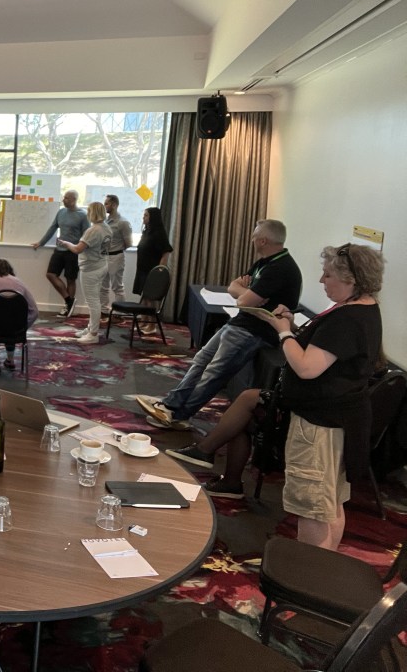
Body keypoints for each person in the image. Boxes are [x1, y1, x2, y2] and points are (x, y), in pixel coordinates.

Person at [174, 245, 383, 549]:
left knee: (313, 509)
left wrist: (283, 332)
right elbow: (325, 354)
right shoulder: (363, 308)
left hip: (320, 424)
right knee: (329, 504)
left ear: (351, 279)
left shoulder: (347, 319)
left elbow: (307, 368)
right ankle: (321, 568)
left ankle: (307, 571)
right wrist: (292, 327)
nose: (322, 280)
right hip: (336, 419)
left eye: (328, 275)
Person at [137, 219, 302, 430]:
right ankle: (171, 404)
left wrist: (244, 295)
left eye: (254, 237)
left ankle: (179, 415)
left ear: (263, 241)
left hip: (254, 331)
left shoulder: (280, 268)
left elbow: (241, 300)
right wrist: (247, 294)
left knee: (214, 373)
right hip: (240, 322)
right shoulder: (265, 262)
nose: (251, 240)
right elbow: (233, 287)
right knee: (201, 360)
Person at [56, 201, 112, 344]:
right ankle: (90, 328)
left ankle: (93, 334)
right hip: (101, 265)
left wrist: (66, 243)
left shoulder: (93, 230)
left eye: (89, 211)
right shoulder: (107, 228)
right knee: (95, 300)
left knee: (93, 302)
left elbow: (77, 249)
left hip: (91, 269)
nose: (87, 214)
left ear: (93, 213)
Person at [31, 190, 89, 318]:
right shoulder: (61, 212)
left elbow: (87, 235)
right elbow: (52, 228)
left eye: (67, 198)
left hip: (73, 252)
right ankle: (69, 301)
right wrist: (41, 243)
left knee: (70, 279)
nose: (64, 200)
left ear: (74, 200)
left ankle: (68, 307)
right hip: (59, 250)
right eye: (64, 197)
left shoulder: (83, 215)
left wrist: (83, 249)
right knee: (50, 274)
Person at [0, 258, 38, 372]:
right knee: (11, 323)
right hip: (15, 330)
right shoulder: (20, 283)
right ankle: (10, 360)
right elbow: (34, 311)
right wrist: (24, 326)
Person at [133, 207, 173, 333]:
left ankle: (152, 325)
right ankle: (144, 321)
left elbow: (166, 252)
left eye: (146, 215)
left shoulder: (159, 233)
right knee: (145, 297)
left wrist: (160, 270)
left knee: (150, 298)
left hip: (152, 271)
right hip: (143, 269)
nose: (143, 217)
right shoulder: (147, 231)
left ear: (153, 217)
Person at [99, 194, 133, 315]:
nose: (104, 206)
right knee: (102, 286)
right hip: (104, 257)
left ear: (114, 205)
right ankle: (104, 311)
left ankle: (120, 313)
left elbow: (129, 243)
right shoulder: (104, 221)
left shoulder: (123, 222)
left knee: (117, 287)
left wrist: (116, 249)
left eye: (106, 203)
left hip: (116, 257)